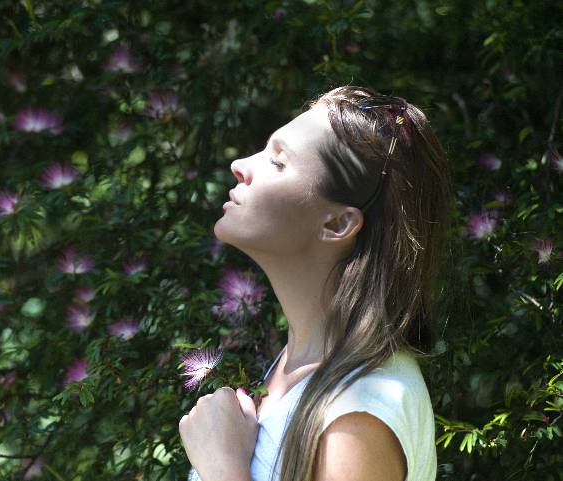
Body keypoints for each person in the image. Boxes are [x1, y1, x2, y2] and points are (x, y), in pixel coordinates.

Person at [180, 85, 452, 481]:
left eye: (277, 161)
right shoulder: (295, 372)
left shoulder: (360, 411)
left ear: (337, 224)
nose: (240, 164)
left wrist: (223, 468)